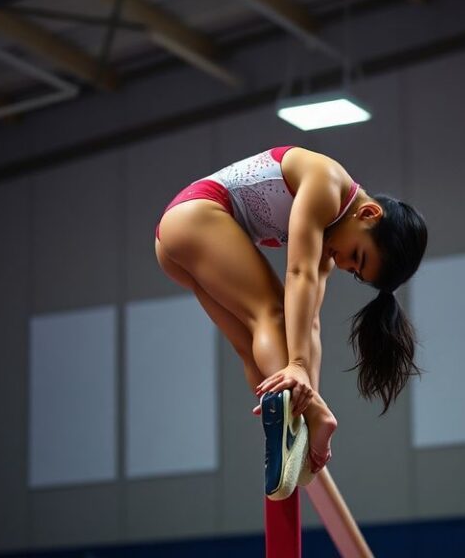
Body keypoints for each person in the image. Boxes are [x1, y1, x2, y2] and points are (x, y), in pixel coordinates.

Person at [154, 146, 427, 498]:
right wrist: (298, 367)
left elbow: (310, 324)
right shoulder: (327, 182)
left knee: (253, 350)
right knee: (272, 314)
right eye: (357, 257)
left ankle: (291, 427)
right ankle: (311, 416)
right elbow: (297, 274)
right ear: (369, 214)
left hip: (174, 244)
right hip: (195, 214)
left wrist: (308, 389)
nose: (346, 266)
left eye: (356, 273)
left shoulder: (329, 244)